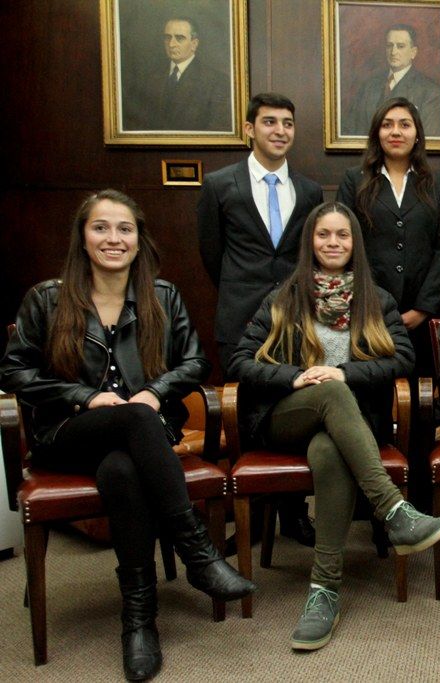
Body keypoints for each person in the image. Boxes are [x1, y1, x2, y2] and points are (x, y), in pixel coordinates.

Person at [0, 190, 255, 681]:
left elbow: (196, 362)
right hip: (68, 432)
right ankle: (197, 552)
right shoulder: (47, 298)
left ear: (139, 241)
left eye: (124, 229)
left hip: (142, 433)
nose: (113, 238)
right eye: (100, 227)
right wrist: (84, 396)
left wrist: (155, 392)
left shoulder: (164, 296)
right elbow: (13, 371)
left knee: (122, 467)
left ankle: (139, 620)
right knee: (135, 421)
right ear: (82, 237)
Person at [229, 201, 440, 651]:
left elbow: (404, 358)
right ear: (310, 241)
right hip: (287, 417)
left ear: (356, 243)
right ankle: (394, 511)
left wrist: (345, 372)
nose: (333, 243)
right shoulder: (283, 297)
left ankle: (324, 590)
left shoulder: (377, 299)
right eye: (324, 234)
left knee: (330, 446)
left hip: (347, 426)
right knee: (329, 392)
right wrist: (295, 376)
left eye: (342, 235)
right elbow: (239, 361)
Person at [198, 92, 324, 546]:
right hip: (239, 318)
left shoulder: (309, 191)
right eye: (269, 122)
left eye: (287, 123)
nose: (280, 131)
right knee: (246, 415)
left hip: (295, 320)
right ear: (250, 129)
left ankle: (293, 514)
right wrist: (242, 292)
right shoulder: (220, 184)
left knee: (294, 410)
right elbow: (212, 254)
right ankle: (249, 517)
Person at [336, 96, 440, 378]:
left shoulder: (436, 184)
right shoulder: (355, 180)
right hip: (367, 310)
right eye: (387, 125)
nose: (396, 132)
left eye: (405, 125)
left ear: (417, 134)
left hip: (423, 315)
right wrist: (370, 303)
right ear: (377, 133)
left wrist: (423, 309)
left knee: (421, 392)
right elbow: (342, 244)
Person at [124, 16, 231, 132]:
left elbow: (218, 129)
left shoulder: (216, 81)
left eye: (179, 38)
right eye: (167, 37)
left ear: (194, 44)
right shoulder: (149, 77)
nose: (171, 44)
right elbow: (136, 121)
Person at [344, 25, 440, 137]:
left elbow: (429, 139)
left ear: (413, 52)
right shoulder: (369, 86)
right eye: (389, 46)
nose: (393, 52)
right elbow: (351, 130)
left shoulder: (431, 93)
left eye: (400, 46)